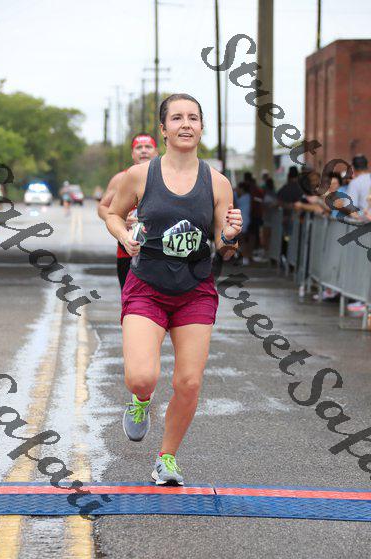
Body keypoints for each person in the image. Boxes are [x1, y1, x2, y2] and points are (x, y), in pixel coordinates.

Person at [105, 93, 242, 485]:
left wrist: (230, 236)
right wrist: (124, 235)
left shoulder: (218, 183)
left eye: (193, 118)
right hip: (146, 286)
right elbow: (113, 213)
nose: (186, 124)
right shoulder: (140, 175)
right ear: (163, 129)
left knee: (189, 382)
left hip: (195, 290)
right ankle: (140, 400)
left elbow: (225, 248)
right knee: (141, 376)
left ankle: (166, 458)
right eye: (177, 118)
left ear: (201, 127)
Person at [98, 133, 158, 288]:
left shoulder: (167, 177)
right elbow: (103, 208)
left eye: (148, 147)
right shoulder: (121, 178)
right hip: (128, 249)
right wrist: (122, 221)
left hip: (159, 250)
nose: (143, 150)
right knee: (129, 296)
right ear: (132, 154)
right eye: (139, 147)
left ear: (156, 152)